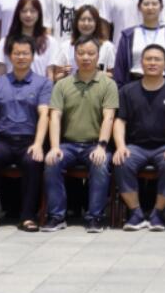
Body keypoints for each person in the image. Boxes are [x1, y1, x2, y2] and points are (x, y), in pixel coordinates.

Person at [0, 35, 51, 232]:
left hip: (29, 141)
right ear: (10, 56)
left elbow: (44, 114)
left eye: (25, 53)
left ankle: (28, 216)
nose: (21, 57)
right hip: (3, 141)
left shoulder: (43, 83)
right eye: (17, 53)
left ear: (33, 56)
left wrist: (38, 144)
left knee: (33, 161)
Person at [41, 38, 117, 225]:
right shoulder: (62, 84)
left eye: (91, 53)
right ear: (74, 56)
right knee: (52, 162)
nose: (86, 57)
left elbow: (109, 117)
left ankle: (95, 216)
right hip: (68, 144)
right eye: (81, 53)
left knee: (100, 164)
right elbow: (55, 117)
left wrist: (101, 147)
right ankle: (56, 216)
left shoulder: (108, 84)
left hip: (95, 145)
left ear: (98, 56)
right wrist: (54, 147)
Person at [113, 45, 165, 232]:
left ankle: (157, 213)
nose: (152, 63)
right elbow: (120, 121)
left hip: (164, 146)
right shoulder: (127, 91)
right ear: (141, 63)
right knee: (122, 162)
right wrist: (121, 146)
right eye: (148, 59)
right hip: (136, 146)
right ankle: (136, 213)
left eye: (157, 59)